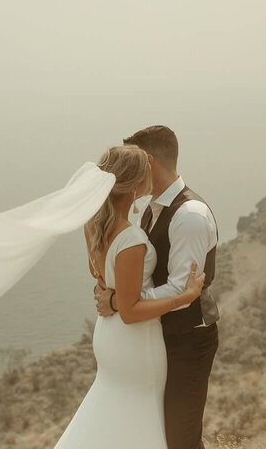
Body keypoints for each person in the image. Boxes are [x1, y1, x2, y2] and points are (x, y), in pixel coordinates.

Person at [55, 144, 205, 449]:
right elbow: (131, 310)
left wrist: (110, 297)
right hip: (135, 341)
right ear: (135, 186)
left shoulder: (93, 226)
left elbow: (99, 279)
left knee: (111, 409)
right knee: (140, 417)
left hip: (108, 337)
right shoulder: (132, 239)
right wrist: (185, 295)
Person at [96, 125, 220, 449]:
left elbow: (181, 290)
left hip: (188, 340)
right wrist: (122, 298)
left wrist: (121, 302)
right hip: (158, 339)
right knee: (159, 433)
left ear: (148, 162)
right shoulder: (150, 210)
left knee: (181, 437)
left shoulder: (189, 214)